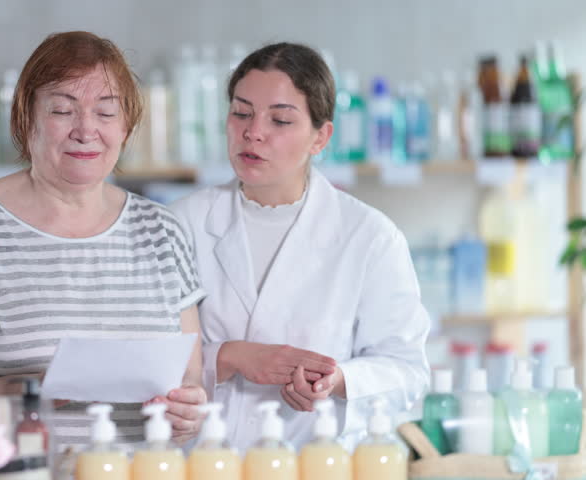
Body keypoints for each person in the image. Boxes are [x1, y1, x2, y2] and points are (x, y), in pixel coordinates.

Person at [0, 31, 207, 448]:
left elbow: (191, 381)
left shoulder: (163, 230)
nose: (86, 130)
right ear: (25, 119)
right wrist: (27, 390)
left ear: (126, 126)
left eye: (106, 112)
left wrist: (187, 413)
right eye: (62, 110)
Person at [170, 42, 430, 450]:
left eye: (280, 120)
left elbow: (408, 371)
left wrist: (339, 380)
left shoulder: (369, 237)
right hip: (202, 465)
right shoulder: (179, 224)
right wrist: (228, 357)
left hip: (314, 463)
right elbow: (145, 357)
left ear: (320, 137)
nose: (253, 132)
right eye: (241, 113)